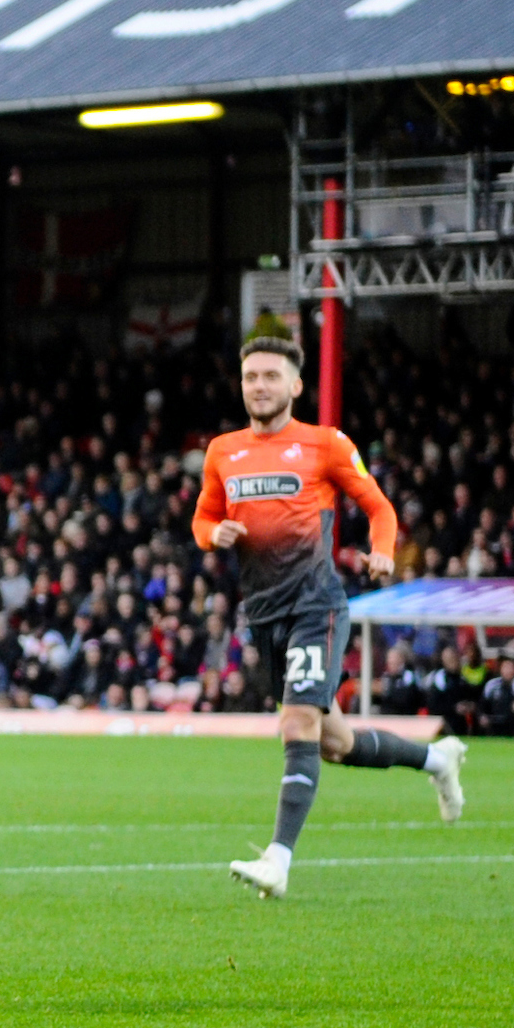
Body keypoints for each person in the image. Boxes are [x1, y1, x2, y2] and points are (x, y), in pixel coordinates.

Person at [196, 335, 464, 901]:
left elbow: (378, 507)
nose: (259, 386)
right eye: (250, 377)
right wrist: (212, 534)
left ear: (295, 385)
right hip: (264, 614)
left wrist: (384, 548)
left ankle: (278, 859)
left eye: (271, 376)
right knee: (332, 743)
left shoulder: (325, 444)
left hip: (316, 605)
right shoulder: (223, 451)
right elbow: (203, 517)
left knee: (296, 725)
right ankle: (436, 759)